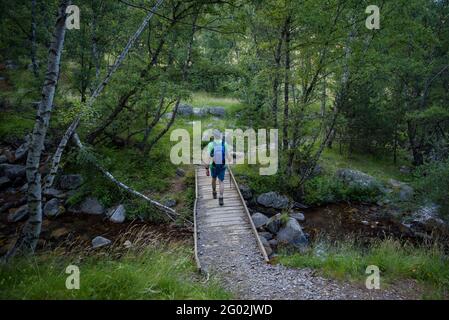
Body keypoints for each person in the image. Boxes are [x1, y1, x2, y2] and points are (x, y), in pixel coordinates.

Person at [205, 129, 231, 206]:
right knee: (221, 181)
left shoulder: (210, 144)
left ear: (213, 136)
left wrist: (206, 168)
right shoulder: (224, 143)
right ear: (220, 135)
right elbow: (229, 157)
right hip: (222, 165)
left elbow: (208, 157)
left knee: (213, 179)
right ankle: (221, 197)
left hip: (213, 166)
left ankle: (214, 192)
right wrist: (228, 161)